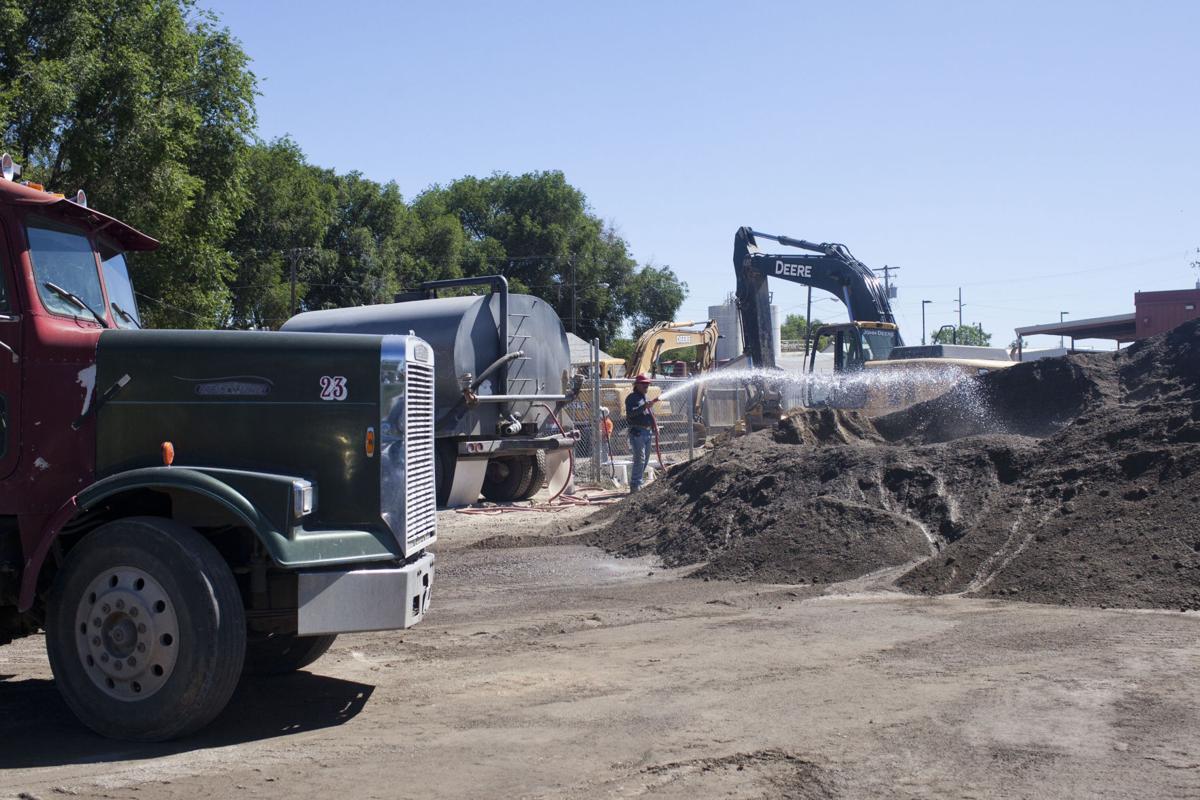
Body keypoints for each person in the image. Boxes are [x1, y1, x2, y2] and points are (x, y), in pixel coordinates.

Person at [625, 373, 657, 492]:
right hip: (638, 432)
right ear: (637, 385)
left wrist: (655, 426)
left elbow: (650, 414)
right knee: (640, 459)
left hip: (647, 432)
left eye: (647, 384)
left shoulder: (646, 398)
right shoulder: (632, 398)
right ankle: (635, 484)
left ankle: (638, 482)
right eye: (643, 384)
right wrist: (644, 407)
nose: (646, 386)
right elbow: (630, 414)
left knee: (645, 459)